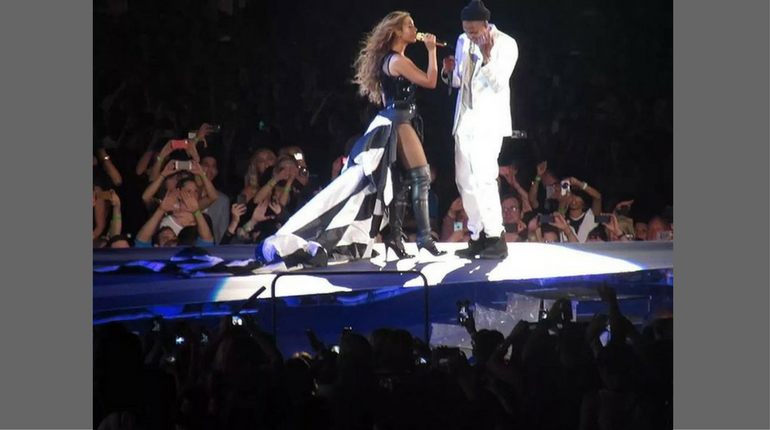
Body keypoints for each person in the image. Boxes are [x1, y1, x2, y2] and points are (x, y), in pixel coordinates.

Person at [256, 11, 444, 267]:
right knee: (421, 176)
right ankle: (424, 237)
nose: (415, 29)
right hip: (399, 120)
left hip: (399, 119)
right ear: (397, 32)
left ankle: (396, 238)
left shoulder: (396, 59)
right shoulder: (397, 60)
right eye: (409, 25)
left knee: (400, 182)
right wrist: (432, 51)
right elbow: (430, 81)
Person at [441, 0, 519, 259]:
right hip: (464, 120)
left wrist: (486, 55)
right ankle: (477, 236)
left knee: (484, 178)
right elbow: (460, 81)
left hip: (488, 121)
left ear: (486, 25)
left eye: (474, 31)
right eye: (467, 31)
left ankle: (496, 237)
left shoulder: (506, 44)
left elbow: (498, 84)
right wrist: (449, 71)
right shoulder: (463, 41)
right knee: (464, 180)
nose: (470, 36)